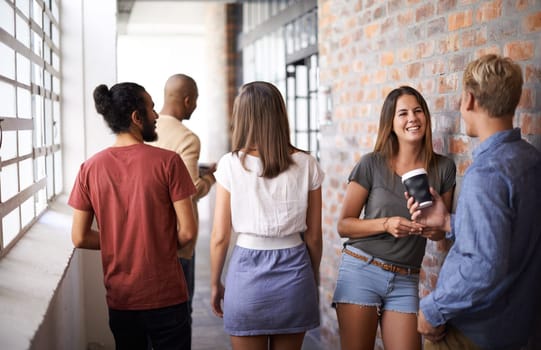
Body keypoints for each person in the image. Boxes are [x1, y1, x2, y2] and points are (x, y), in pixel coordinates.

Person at [408, 54, 541, 350]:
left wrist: (432, 309)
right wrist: (447, 222)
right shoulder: (532, 160)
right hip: (519, 329)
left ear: (468, 99)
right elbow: (510, 237)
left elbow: (485, 264)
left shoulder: (487, 172)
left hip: (472, 334)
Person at [69, 82, 197, 350]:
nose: (157, 115)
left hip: (121, 299)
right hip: (166, 296)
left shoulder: (89, 168)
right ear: (136, 118)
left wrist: (122, 242)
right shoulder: (169, 162)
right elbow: (187, 232)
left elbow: (79, 237)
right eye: (151, 108)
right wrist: (152, 244)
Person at [332, 86, 456, 350]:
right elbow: (344, 225)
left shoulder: (444, 168)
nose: (412, 118)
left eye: (418, 111)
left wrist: (428, 228)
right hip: (361, 270)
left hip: (406, 278)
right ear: (391, 123)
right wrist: (387, 224)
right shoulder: (371, 164)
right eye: (403, 113)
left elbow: (441, 234)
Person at [209, 81, 324, 350]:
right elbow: (315, 236)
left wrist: (215, 283)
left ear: (242, 117)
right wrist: (312, 275)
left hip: (246, 274)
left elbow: (219, 236)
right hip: (295, 269)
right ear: (279, 115)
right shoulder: (307, 163)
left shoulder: (230, 164)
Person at [149, 73, 216, 322]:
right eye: (195, 101)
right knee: (178, 316)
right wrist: (211, 178)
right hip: (178, 239)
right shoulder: (186, 138)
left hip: (148, 235)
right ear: (188, 100)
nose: (196, 106)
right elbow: (190, 189)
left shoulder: (145, 130)